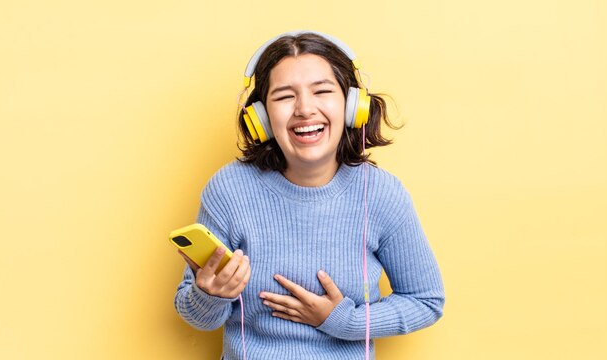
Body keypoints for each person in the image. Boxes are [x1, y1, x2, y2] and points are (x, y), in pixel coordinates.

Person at [173, 31, 445, 360]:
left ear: (351, 105)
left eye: (322, 91)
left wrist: (344, 321)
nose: (304, 109)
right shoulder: (229, 189)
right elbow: (199, 317)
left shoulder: (382, 194)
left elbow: (426, 300)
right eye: (285, 96)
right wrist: (211, 295)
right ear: (261, 117)